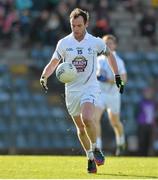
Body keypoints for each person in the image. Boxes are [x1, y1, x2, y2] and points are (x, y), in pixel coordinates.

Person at [40, 8, 124, 173]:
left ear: (86, 24)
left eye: (79, 25)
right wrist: (44, 76)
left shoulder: (95, 42)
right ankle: (90, 158)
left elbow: (110, 55)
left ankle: (96, 147)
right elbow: (53, 62)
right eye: (73, 25)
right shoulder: (64, 43)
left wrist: (117, 76)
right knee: (80, 127)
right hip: (71, 90)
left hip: (89, 87)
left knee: (87, 118)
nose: (76, 29)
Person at [95, 35, 127, 155]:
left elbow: (124, 79)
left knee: (114, 122)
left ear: (115, 45)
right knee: (95, 118)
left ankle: (121, 142)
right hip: (100, 93)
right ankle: (98, 148)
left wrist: (107, 79)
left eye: (110, 43)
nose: (108, 45)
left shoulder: (118, 61)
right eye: (106, 43)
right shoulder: (98, 60)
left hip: (113, 94)